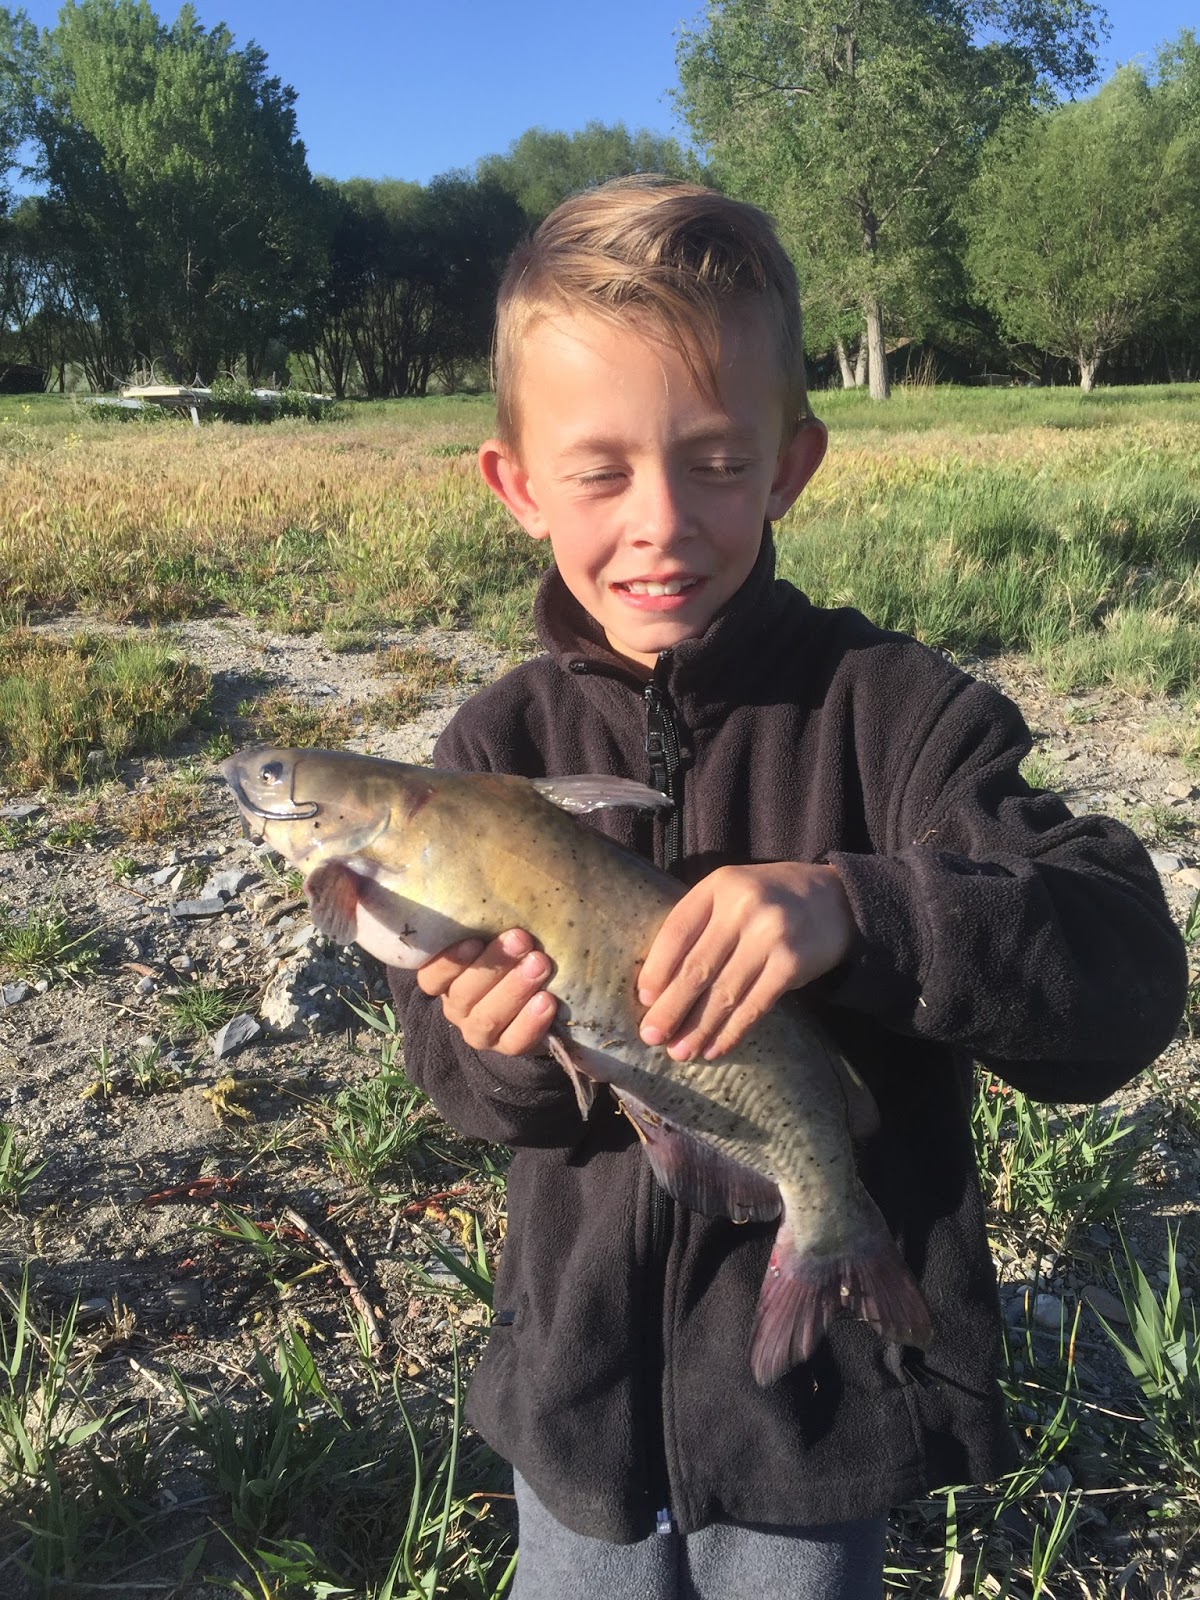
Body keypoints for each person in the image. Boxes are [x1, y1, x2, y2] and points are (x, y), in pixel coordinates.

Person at [387, 177, 1186, 1599]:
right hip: (574, 1407)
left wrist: (861, 913)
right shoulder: (491, 760)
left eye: (712, 459)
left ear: (790, 463)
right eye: (600, 470)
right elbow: (461, 1086)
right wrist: (497, 1043)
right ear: (515, 486)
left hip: (821, 1402)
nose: (662, 521)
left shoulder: (900, 714)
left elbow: (1125, 972)